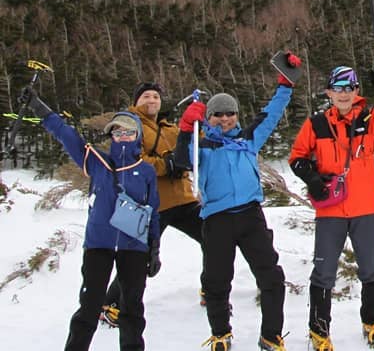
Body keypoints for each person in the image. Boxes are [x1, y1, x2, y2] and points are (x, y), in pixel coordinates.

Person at [174, 52, 301, 351]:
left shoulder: (248, 139)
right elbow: (181, 162)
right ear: (209, 118)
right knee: (217, 281)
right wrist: (183, 130)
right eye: (218, 114)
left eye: (230, 113)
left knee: (271, 277)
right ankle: (221, 333)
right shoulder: (201, 145)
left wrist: (285, 84)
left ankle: (271, 334)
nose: (225, 118)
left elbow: (270, 113)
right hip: (217, 219)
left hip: (251, 217)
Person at [23, 89, 161, 351]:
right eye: (117, 132)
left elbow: (153, 209)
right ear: (111, 136)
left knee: (132, 309)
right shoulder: (98, 162)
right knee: (89, 307)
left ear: (138, 136)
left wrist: (154, 248)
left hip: (134, 248)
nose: (122, 136)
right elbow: (67, 135)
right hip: (99, 245)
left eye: (128, 131)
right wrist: (40, 108)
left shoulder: (146, 171)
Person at [288, 66, 374, 350]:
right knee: (323, 273)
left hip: (364, 208)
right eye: (338, 88)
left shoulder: (370, 118)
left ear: (356, 92)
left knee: (371, 269)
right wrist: (313, 179)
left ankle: (371, 321)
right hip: (330, 210)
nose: (343, 94)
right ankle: (319, 331)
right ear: (329, 92)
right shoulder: (317, 123)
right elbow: (296, 157)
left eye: (349, 88)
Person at [100, 82, 204, 327]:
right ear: (136, 101)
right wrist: (165, 165)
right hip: (149, 203)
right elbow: (129, 158)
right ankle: (112, 304)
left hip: (182, 198)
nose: (151, 100)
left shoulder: (170, 128)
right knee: (139, 258)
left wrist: (198, 118)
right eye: (146, 96)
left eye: (156, 96)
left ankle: (211, 290)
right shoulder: (127, 123)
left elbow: (194, 147)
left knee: (212, 237)